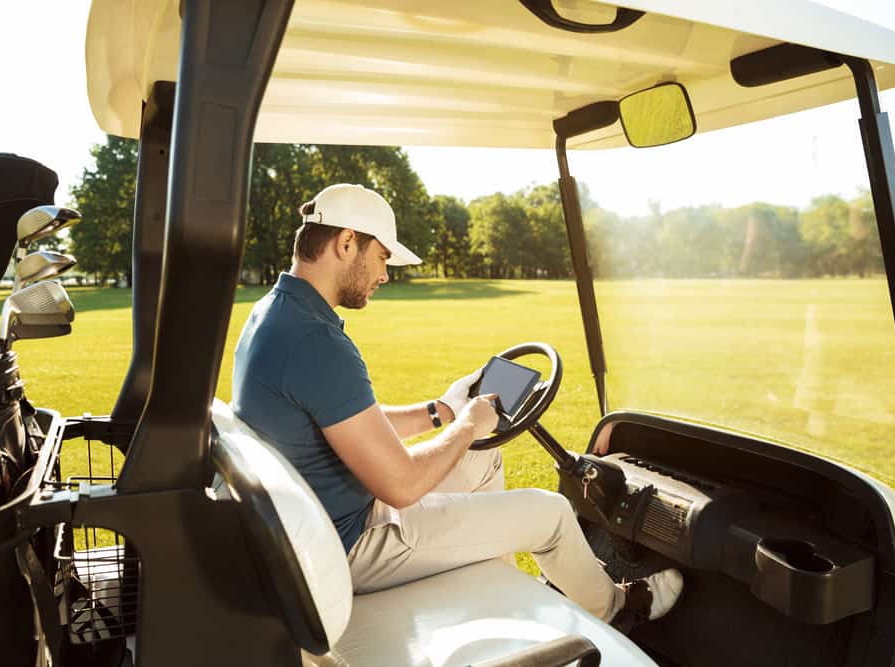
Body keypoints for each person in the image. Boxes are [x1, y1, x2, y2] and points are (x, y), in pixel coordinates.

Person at [232, 183, 683, 629]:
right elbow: (402, 486)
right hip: (353, 543)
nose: (385, 274)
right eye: (384, 256)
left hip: (331, 520)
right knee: (553, 514)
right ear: (347, 242)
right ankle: (617, 607)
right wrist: (467, 424)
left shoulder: (277, 312)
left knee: (486, 459)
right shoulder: (318, 340)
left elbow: (347, 419)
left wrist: (443, 410)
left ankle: (498, 598)